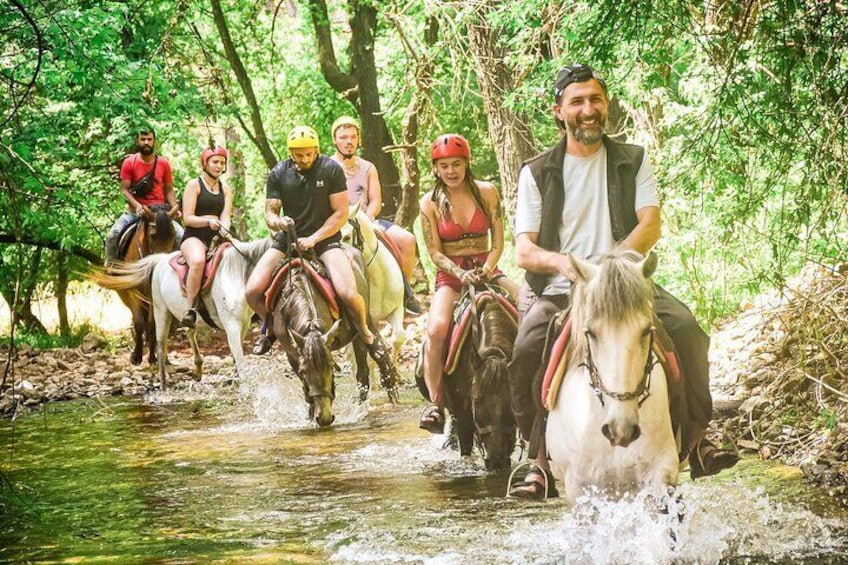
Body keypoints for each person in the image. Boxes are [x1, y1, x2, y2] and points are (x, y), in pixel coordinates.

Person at [507, 64, 739, 499]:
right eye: (577, 102)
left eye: (595, 100)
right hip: (564, 288)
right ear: (560, 112)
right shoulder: (536, 172)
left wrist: (614, 268)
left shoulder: (633, 159)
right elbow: (525, 250)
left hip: (626, 280)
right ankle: (536, 457)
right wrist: (566, 265)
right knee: (523, 352)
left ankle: (697, 438)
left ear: (606, 105)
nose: (588, 110)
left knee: (687, 329)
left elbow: (649, 225)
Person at [245, 125, 395, 367]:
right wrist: (278, 222)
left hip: (326, 239)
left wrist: (314, 238)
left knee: (347, 292)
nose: (304, 159)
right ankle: (271, 327)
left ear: (316, 150)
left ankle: (366, 334)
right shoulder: (278, 173)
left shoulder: (331, 169)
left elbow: (340, 213)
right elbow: (270, 212)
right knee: (252, 291)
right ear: (290, 153)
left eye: (308, 154)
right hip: (288, 239)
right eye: (298, 154)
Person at [417, 133, 518, 433]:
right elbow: (434, 251)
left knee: (530, 306)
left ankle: (535, 390)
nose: (451, 171)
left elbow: (499, 242)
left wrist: (487, 268)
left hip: (488, 269)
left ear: (466, 163)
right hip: (451, 276)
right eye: (444, 165)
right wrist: (459, 274)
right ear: (435, 168)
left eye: (456, 164)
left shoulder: (487, 193)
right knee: (436, 330)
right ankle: (435, 404)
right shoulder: (429, 203)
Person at [329, 115, 423, 315]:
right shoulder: (326, 168)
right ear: (334, 140)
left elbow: (375, 201)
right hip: (339, 224)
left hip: (366, 220)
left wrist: (367, 219)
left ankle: (403, 294)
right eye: (343, 137)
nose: (349, 141)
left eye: (353, 137)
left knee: (407, 240)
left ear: (359, 140)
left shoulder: (368, 168)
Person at [105, 127, 183, 265]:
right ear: (138, 141)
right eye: (143, 139)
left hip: (161, 212)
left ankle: (181, 268)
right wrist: (138, 206)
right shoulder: (130, 162)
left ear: (154, 142)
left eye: (149, 139)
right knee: (114, 234)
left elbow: (169, 190)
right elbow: (124, 189)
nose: (146, 142)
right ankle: (111, 267)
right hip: (136, 211)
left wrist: (174, 209)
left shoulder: (163, 163)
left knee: (180, 235)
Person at [178, 145, 234, 327]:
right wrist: (208, 221)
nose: (219, 166)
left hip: (218, 237)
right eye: (215, 162)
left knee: (242, 257)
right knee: (198, 261)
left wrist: (225, 227)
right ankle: (191, 309)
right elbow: (188, 218)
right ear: (205, 163)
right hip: (195, 236)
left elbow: (226, 216)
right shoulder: (194, 185)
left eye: (222, 163)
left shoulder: (225, 188)